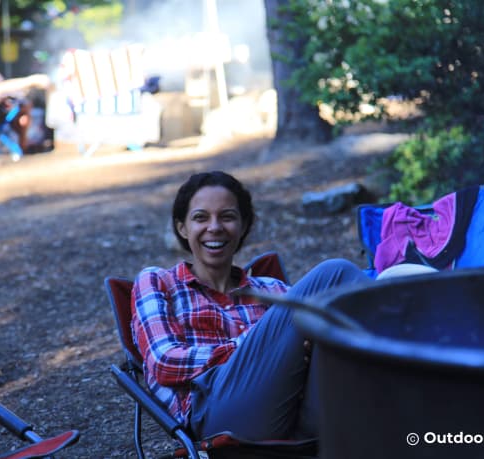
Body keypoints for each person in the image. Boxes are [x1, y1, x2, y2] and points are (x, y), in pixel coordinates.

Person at [131, 170, 372, 442]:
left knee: (400, 277)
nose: (215, 227)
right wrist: (252, 345)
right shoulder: (157, 281)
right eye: (201, 217)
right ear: (182, 228)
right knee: (335, 274)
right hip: (218, 415)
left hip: (296, 412)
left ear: (243, 225)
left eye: (227, 216)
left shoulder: (271, 288)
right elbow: (164, 362)